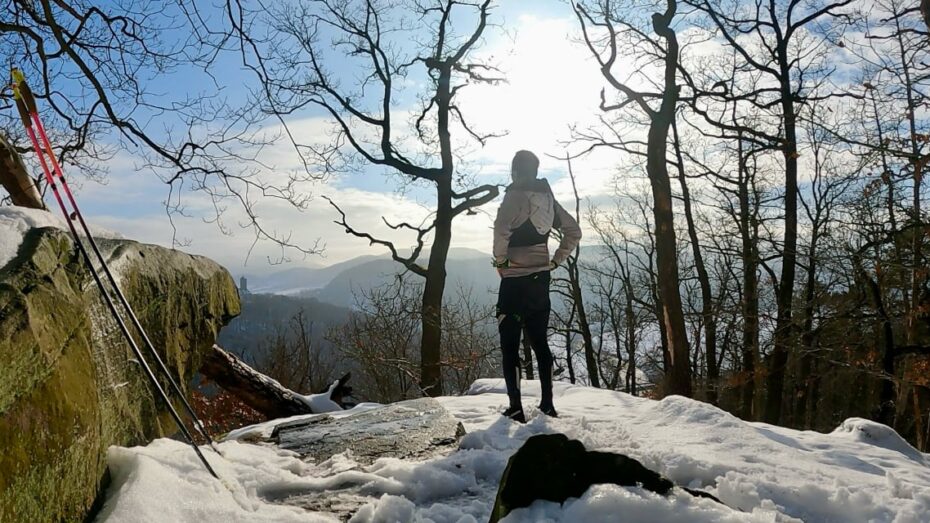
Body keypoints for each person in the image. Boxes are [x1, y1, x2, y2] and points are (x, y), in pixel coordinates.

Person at [493, 150, 582, 423]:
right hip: (541, 281)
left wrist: (501, 261)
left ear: (515, 170)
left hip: (514, 282)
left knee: (510, 346)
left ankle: (516, 408)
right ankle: (547, 404)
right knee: (540, 343)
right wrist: (556, 261)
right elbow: (574, 231)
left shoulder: (515, 196)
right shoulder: (548, 200)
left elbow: (501, 228)